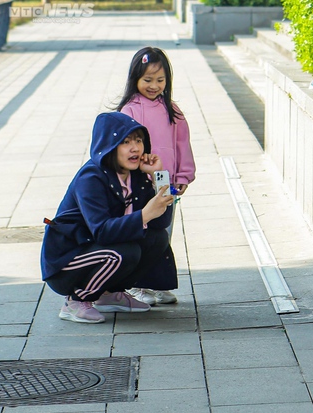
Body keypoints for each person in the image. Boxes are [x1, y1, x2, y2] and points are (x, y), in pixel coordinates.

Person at [41, 112, 176, 324]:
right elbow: (102, 231)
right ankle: (75, 301)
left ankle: (109, 294)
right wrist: (145, 213)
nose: (135, 148)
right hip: (68, 260)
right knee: (124, 252)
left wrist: (158, 176)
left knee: (156, 238)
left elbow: (160, 222)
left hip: (98, 249)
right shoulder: (91, 177)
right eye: (125, 142)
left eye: (139, 140)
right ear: (108, 144)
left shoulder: (136, 174)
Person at [116, 46, 196, 306]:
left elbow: (183, 144)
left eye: (160, 80)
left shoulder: (172, 110)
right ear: (135, 79)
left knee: (163, 231)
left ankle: (158, 284)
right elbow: (124, 150)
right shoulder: (130, 110)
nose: (154, 85)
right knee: (143, 232)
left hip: (166, 185)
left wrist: (183, 175)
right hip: (139, 185)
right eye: (147, 80)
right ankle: (138, 284)